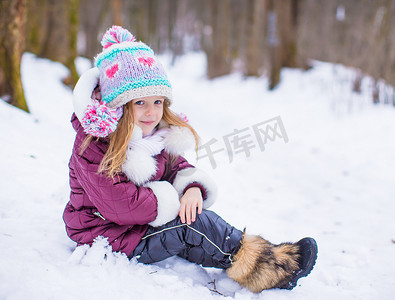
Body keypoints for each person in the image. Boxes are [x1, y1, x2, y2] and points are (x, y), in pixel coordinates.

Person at [63, 25, 318, 293]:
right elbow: (121, 206)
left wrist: (191, 187)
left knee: (193, 216)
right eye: (140, 103)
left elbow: (176, 168)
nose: (152, 112)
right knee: (192, 225)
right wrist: (171, 200)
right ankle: (267, 269)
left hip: (135, 224)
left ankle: (242, 256)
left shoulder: (153, 134)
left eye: (158, 102)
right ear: (118, 106)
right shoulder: (93, 145)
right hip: (105, 234)